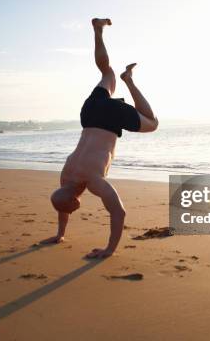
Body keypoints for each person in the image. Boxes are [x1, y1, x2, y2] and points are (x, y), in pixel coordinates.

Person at [41, 18, 158, 258]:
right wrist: (60, 234)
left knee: (152, 123)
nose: (73, 211)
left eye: (74, 208)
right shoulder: (66, 174)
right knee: (107, 72)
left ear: (77, 200)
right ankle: (97, 30)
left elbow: (119, 213)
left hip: (108, 120)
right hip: (90, 113)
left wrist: (108, 250)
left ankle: (130, 81)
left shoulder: (92, 181)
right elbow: (62, 203)